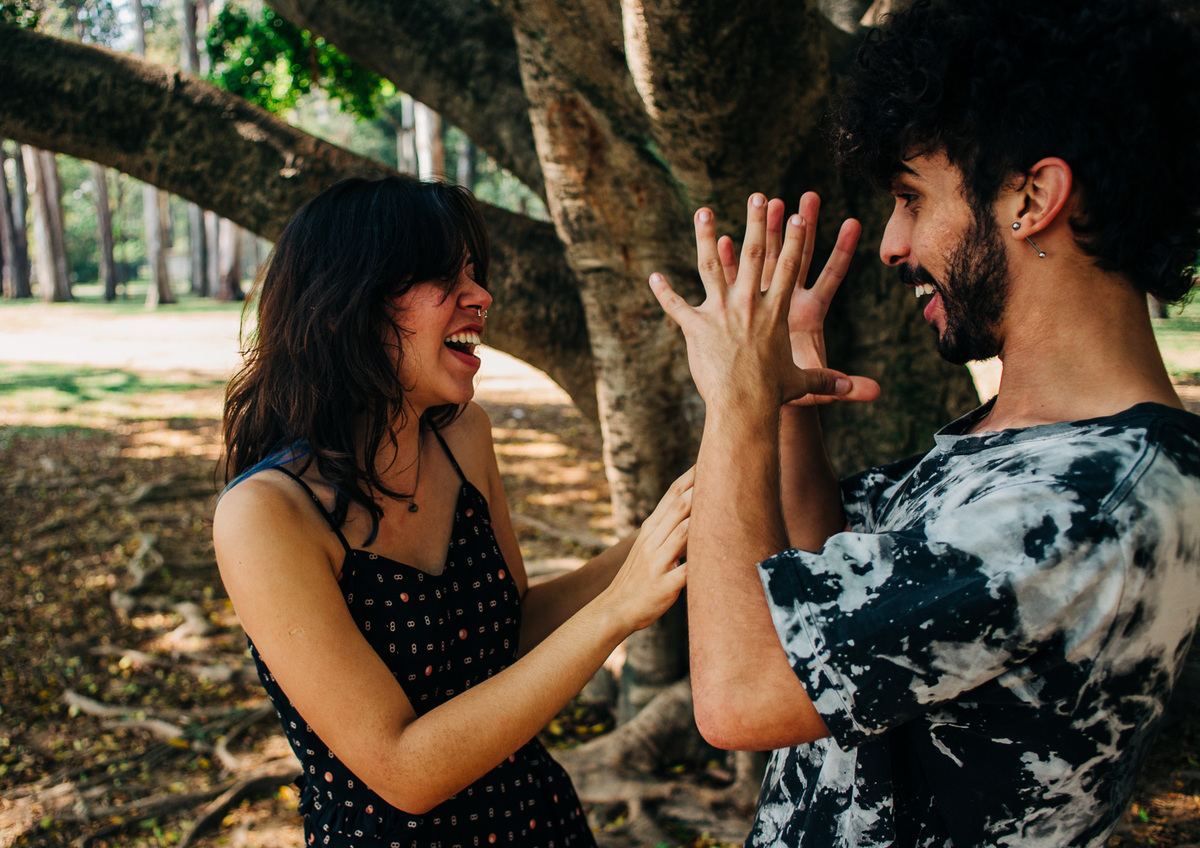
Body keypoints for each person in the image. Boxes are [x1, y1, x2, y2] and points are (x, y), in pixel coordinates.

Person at [647, 0, 1200, 845]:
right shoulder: (1035, 445)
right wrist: (786, 399)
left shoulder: (1087, 502)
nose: (892, 243)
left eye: (912, 197)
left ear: (1033, 198)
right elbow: (823, 594)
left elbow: (743, 692)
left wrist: (736, 404)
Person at [213, 175, 691, 848]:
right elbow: (404, 770)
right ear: (344, 307)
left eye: (474, 272)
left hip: (540, 825)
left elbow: (511, 634)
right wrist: (619, 611)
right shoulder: (266, 516)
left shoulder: (464, 437)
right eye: (445, 276)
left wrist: (664, 534)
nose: (481, 297)